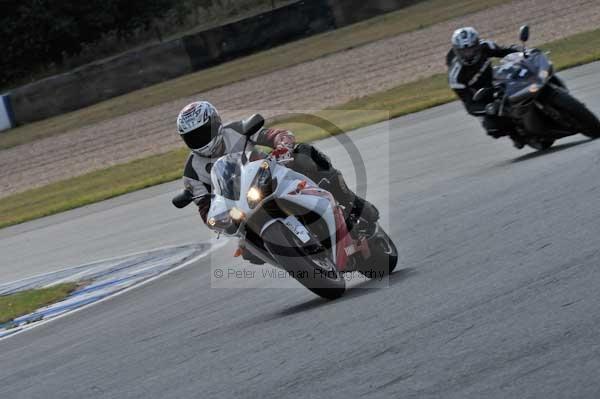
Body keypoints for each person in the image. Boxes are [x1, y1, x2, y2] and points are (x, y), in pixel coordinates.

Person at [175, 101, 379, 261]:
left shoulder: (237, 129)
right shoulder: (192, 171)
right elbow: (205, 208)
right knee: (248, 253)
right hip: (241, 205)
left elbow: (275, 134)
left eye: (203, 132)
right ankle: (292, 256)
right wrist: (216, 220)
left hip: (270, 176)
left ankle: (353, 202)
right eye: (193, 137)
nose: (200, 140)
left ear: (216, 123)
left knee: (305, 154)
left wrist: (282, 147)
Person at [446, 27, 525, 148]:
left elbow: (505, 51)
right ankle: (514, 133)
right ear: (457, 51)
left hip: (494, 78)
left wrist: (520, 52)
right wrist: (488, 108)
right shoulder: (455, 76)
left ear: (477, 45)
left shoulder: (486, 46)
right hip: (480, 95)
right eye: (464, 51)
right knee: (493, 127)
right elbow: (469, 105)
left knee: (522, 76)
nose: (469, 54)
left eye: (472, 49)